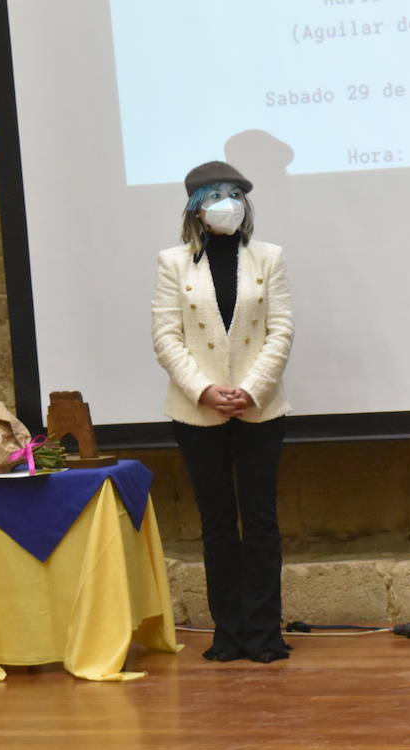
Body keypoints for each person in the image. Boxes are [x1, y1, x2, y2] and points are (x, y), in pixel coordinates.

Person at [151, 161, 294, 663]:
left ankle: (264, 633)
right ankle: (228, 633)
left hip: (261, 410)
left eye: (234, 194)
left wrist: (251, 390)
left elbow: (282, 331)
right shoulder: (173, 263)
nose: (226, 203)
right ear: (195, 206)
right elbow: (166, 337)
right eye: (214, 195)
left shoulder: (268, 258)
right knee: (216, 523)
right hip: (197, 412)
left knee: (260, 521)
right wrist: (205, 390)